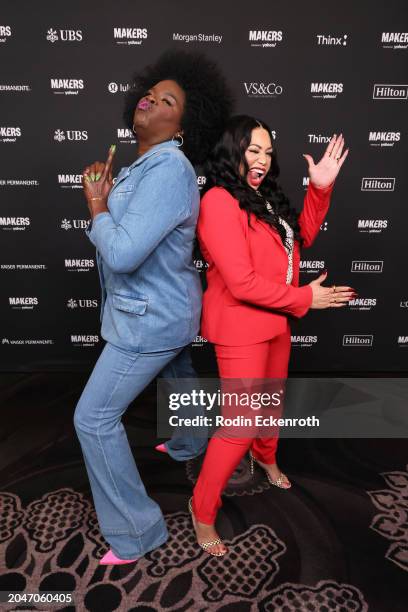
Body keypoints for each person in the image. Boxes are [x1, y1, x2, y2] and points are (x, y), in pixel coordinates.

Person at [73, 50, 233, 565]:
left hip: (149, 320)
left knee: (93, 418)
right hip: (169, 309)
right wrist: (110, 194)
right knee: (181, 371)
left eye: (168, 100)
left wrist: (96, 203)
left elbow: (121, 251)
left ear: (183, 127)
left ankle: (138, 533)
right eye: (150, 92)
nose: (151, 100)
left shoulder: (167, 170)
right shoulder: (149, 166)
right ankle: (190, 442)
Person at [189, 115, 355, 556]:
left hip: (274, 321)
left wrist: (319, 188)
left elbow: (302, 239)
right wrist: (305, 299)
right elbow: (241, 283)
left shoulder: (264, 199)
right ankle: (202, 509)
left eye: (267, 151)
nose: (262, 159)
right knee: (238, 425)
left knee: (270, 404)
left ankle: (266, 457)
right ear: (232, 151)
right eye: (252, 150)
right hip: (240, 324)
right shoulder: (220, 201)